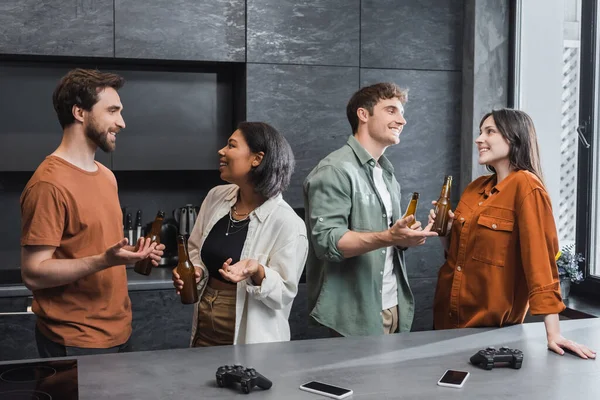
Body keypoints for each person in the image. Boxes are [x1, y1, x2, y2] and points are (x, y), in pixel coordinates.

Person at [20, 68, 164, 357]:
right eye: (112, 111)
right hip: (73, 340)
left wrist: (132, 256)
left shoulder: (106, 176)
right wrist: (104, 260)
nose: (121, 122)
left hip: (120, 332)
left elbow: (94, 249)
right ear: (79, 112)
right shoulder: (49, 183)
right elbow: (34, 273)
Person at [430, 108, 595, 359]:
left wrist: (554, 334)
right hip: (444, 324)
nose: (479, 139)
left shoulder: (526, 186)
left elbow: (541, 262)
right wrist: (446, 231)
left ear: (514, 138)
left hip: (491, 335)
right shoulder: (475, 189)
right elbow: (455, 256)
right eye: (480, 132)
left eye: (490, 131)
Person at [303, 82, 437, 337]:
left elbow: (388, 240)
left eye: (402, 113)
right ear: (363, 115)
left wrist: (403, 239)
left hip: (393, 305)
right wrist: (389, 237)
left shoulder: (386, 174)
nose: (402, 120)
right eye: (391, 111)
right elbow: (328, 242)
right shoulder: (334, 170)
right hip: (355, 314)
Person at [172, 122, 308, 346]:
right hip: (205, 319)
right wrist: (195, 270)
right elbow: (195, 249)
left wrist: (257, 270)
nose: (221, 151)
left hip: (252, 336)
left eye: (231, 146)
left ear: (257, 159)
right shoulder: (216, 197)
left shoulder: (288, 223)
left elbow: (285, 293)